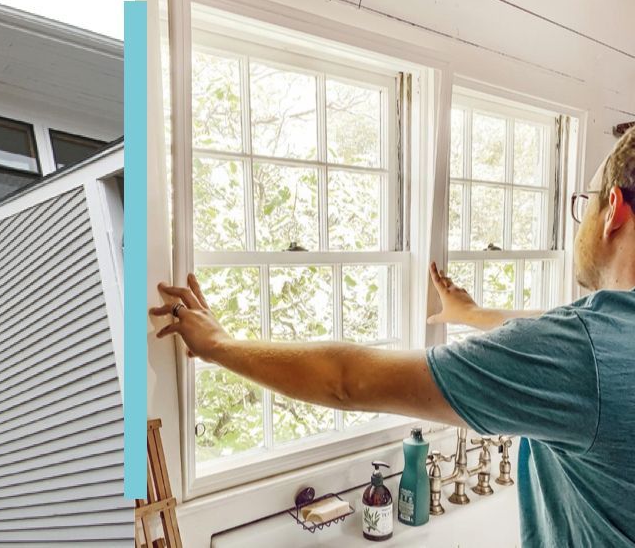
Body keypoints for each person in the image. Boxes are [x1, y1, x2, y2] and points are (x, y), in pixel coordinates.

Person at [152, 129, 635, 547]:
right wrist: (474, 314)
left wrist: (220, 346)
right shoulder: (602, 343)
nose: (581, 220)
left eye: (584, 203)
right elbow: (562, 329)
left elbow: (348, 381)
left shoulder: (580, 355)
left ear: (612, 208)